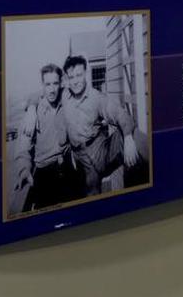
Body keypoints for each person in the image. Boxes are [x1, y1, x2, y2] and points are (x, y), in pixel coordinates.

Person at [60, 55, 146, 195]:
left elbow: (120, 114)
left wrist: (128, 137)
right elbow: (41, 95)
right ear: (67, 79)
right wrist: (31, 109)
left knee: (136, 137)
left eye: (78, 75)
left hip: (98, 150)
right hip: (77, 157)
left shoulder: (96, 98)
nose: (75, 81)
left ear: (86, 74)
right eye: (71, 77)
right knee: (86, 194)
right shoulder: (64, 95)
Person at [13, 64, 82, 212]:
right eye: (48, 84)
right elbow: (23, 150)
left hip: (68, 168)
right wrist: (24, 170)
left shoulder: (65, 101)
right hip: (45, 174)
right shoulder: (32, 115)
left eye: (55, 83)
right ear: (42, 86)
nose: (52, 89)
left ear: (61, 84)